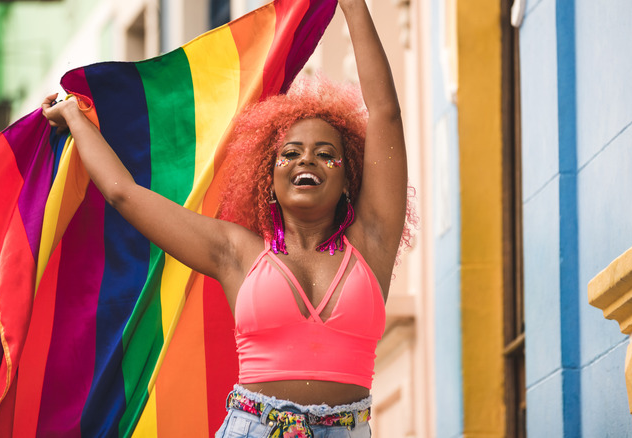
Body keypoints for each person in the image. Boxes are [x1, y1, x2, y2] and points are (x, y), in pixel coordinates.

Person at [42, 0, 413, 436]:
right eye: (289, 154)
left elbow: (384, 112)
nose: (305, 160)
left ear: (350, 177)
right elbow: (126, 196)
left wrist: (353, 6)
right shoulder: (236, 252)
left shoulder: (372, 240)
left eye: (325, 155)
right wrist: (75, 118)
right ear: (267, 179)